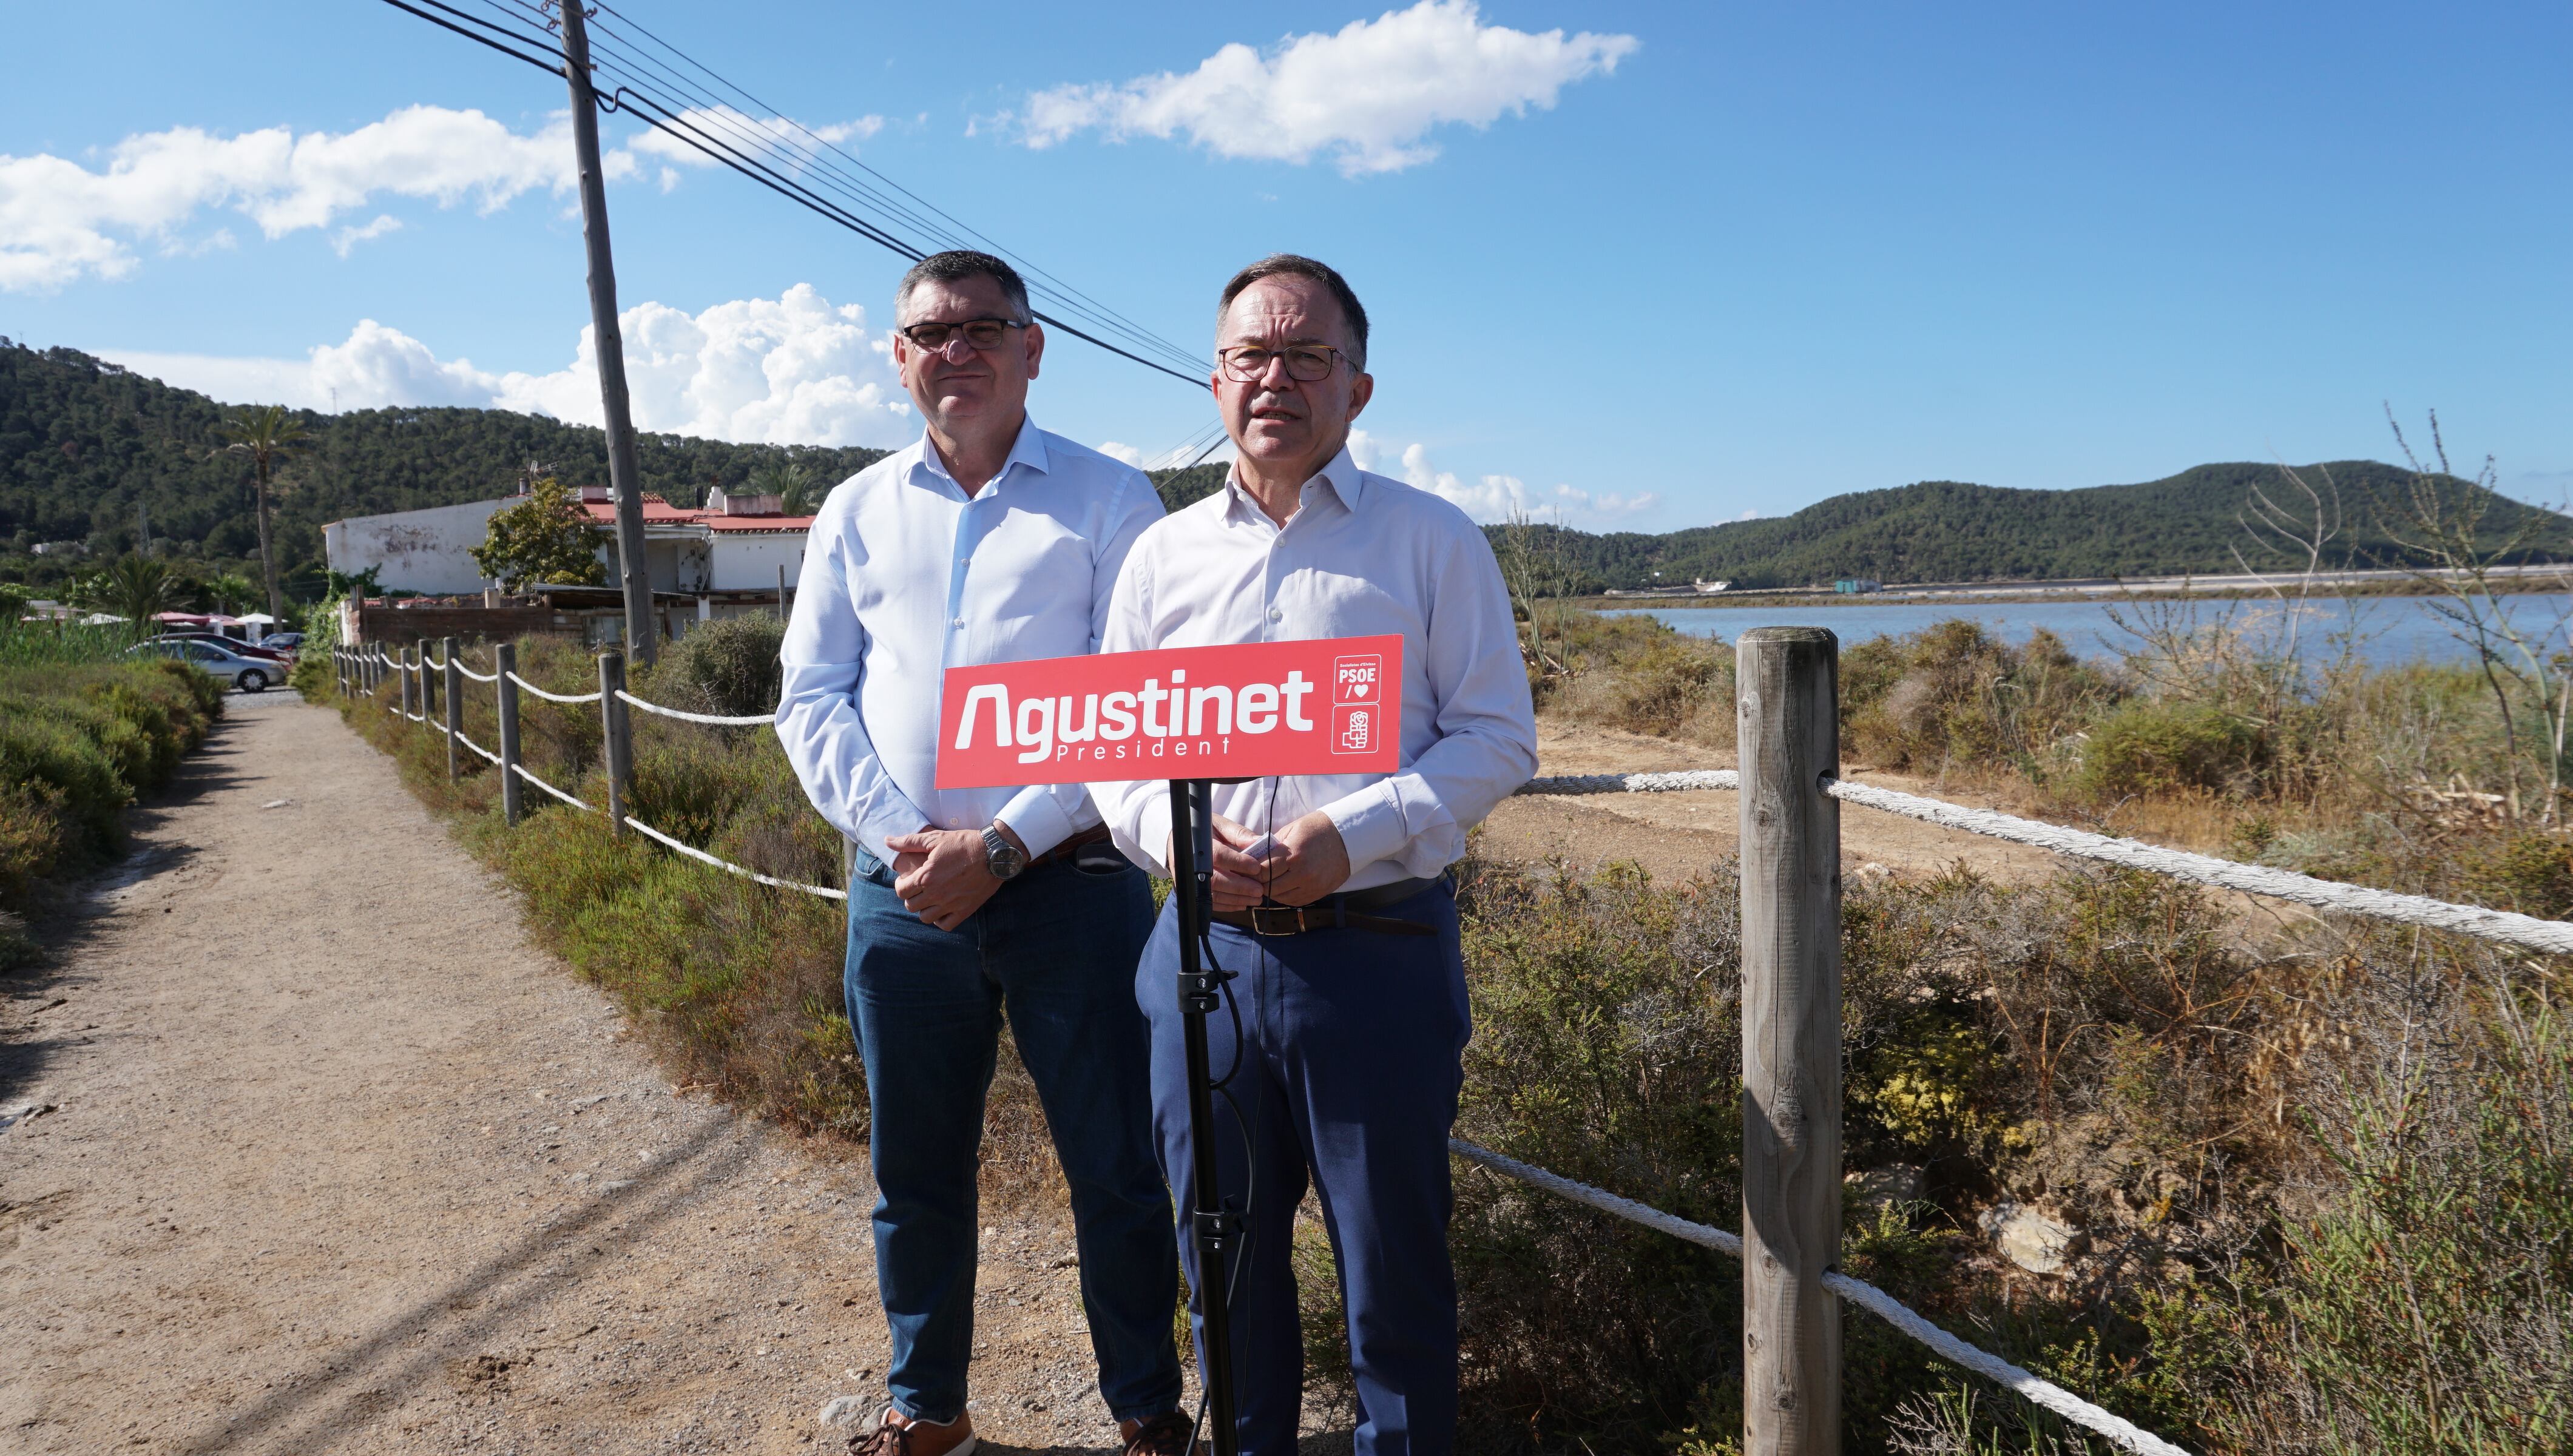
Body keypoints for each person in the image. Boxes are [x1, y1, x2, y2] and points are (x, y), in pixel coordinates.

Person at [1094, 255, 1540, 1455]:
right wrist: (1179, 849)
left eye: (1307, 357)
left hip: (1376, 960)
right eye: (1251, 356)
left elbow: (1498, 738)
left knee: (1393, 1281)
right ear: (1215, 379)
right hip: (1202, 962)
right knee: (1221, 1272)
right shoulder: (1160, 558)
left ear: (1359, 388)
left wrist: (1346, 833)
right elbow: (1116, 756)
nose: (1275, 379)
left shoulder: (1430, 541)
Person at [776, 250, 1193, 1456]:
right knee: (914, 1173)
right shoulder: (854, 508)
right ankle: (928, 1407)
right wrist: (906, 839)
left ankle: (1144, 1408)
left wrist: (1006, 843)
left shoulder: (1113, 503)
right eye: (928, 331)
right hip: (902, 896)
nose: (953, 349)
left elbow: (1138, 703)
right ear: (897, 355)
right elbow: (811, 695)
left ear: (1031, 347)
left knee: (1115, 1165)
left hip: (1075, 887)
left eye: (980, 328)